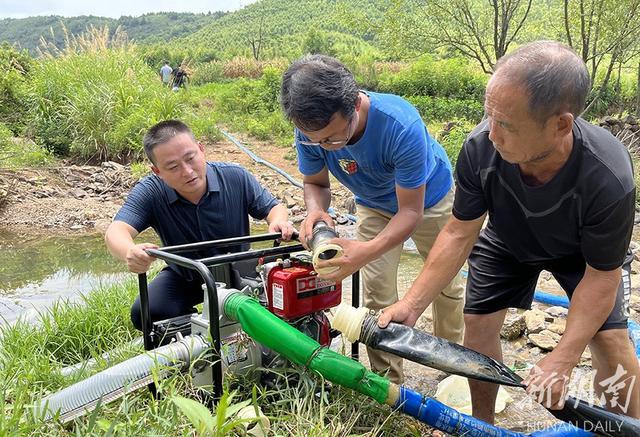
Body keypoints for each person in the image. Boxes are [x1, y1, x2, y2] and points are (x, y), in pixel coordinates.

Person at [379, 40, 640, 422]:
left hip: (584, 255)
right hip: (508, 238)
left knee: (611, 342)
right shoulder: (480, 148)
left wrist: (563, 358)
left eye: (506, 124)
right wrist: (412, 304)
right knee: (478, 325)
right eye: (490, 115)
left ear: (561, 124)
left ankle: (627, 428)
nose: (492, 133)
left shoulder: (608, 177)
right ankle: (481, 424)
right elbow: (458, 233)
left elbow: (602, 277)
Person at [280, 54, 465, 384]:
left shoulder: (399, 125)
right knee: (377, 293)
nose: (327, 147)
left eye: (333, 138)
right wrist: (317, 211)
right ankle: (387, 380)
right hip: (374, 203)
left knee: (446, 288)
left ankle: (449, 375)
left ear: (354, 105)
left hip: (430, 200)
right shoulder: (310, 130)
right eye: (317, 140)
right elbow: (316, 183)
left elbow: (410, 211)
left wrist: (366, 250)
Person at [105, 120, 295, 330]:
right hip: (186, 274)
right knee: (146, 312)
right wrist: (129, 251)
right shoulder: (151, 191)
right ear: (157, 171)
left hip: (238, 271)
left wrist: (278, 222)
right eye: (173, 167)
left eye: (190, 158)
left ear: (201, 150)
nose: (187, 171)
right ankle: (192, 346)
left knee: (281, 298)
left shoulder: (235, 177)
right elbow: (116, 230)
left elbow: (274, 208)